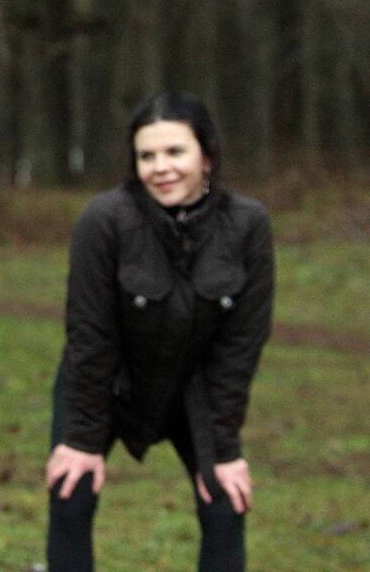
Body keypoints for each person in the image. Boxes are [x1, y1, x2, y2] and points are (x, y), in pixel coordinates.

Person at [44, 94, 274, 572]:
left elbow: (241, 346)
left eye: (175, 153)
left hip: (196, 390)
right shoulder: (104, 221)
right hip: (105, 382)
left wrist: (225, 449)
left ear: (206, 156)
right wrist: (83, 438)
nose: (160, 168)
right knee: (70, 494)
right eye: (147, 156)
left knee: (225, 503)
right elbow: (90, 335)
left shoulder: (248, 225)